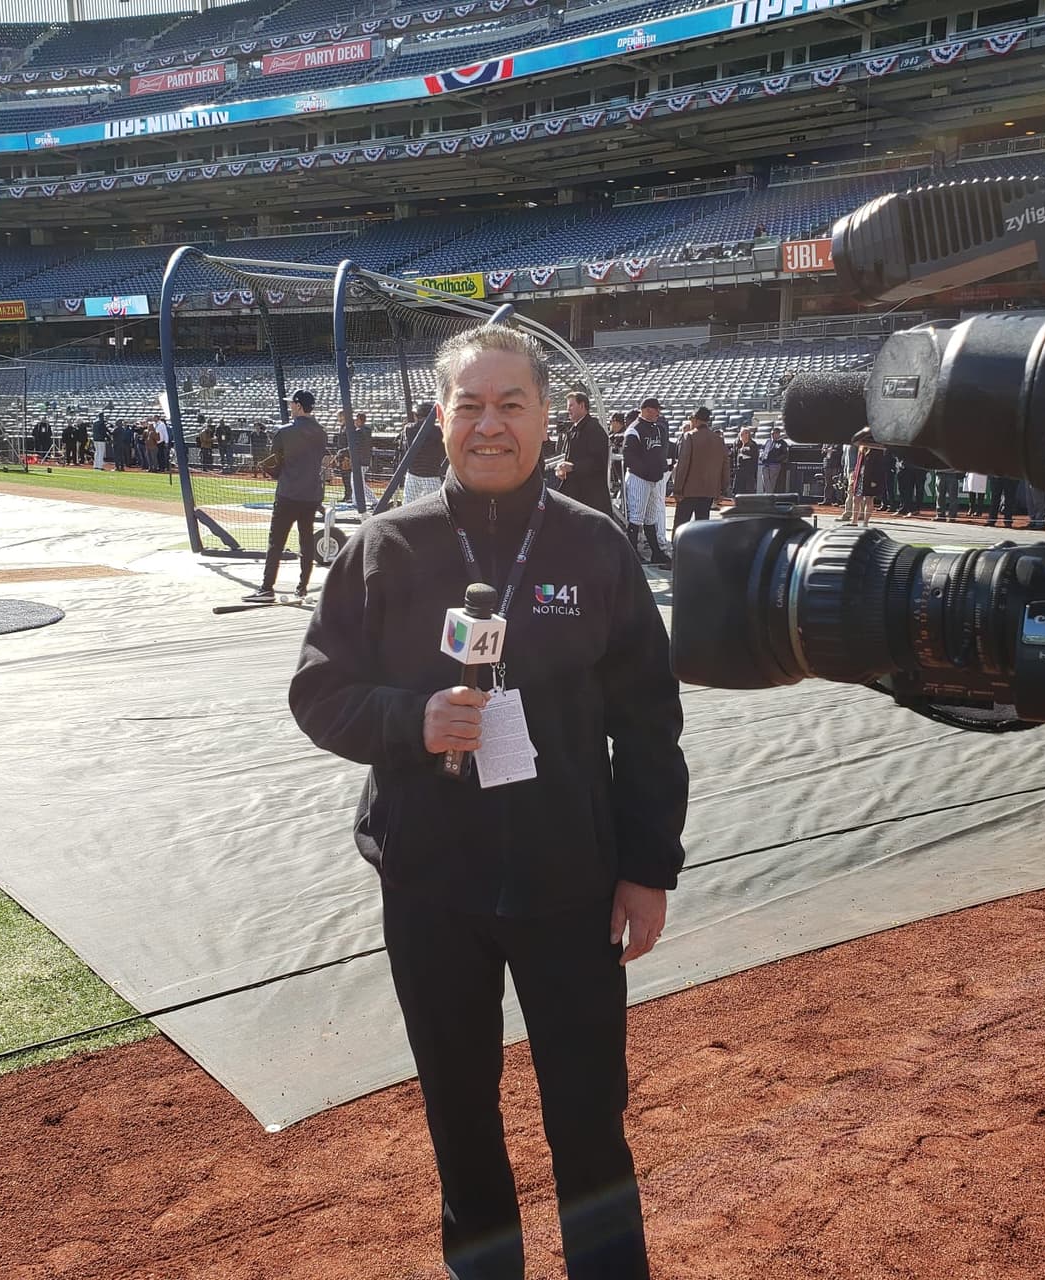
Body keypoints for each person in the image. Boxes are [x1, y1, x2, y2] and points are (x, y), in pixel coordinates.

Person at [289, 323, 688, 1280]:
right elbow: (317, 692)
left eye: (512, 404)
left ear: (548, 418)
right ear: (439, 419)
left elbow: (646, 724)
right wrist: (408, 719)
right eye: (470, 405)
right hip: (432, 887)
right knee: (461, 1120)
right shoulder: (387, 545)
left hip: (572, 884)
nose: (490, 424)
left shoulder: (595, 547)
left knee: (589, 1119)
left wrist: (646, 869)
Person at [242, 389, 328, 603]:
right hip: (311, 494)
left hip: (288, 493)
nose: (290, 407)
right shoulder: (322, 432)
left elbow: (276, 463)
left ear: (298, 406)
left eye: (292, 404)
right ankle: (302, 589)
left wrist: (272, 471)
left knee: (276, 542)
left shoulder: (284, 431)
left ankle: (266, 588)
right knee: (306, 540)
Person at [621, 397, 671, 568]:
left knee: (651, 517)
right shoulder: (633, 429)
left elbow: (659, 452)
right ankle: (632, 552)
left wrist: (658, 471)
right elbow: (629, 457)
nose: (658, 413)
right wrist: (646, 472)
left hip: (654, 479)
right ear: (647, 410)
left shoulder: (656, 429)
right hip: (638, 478)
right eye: (656, 409)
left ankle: (656, 552)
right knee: (637, 516)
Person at [671, 406, 730, 529]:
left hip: (688, 490)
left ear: (695, 419)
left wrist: (677, 489)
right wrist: (723, 490)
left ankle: (677, 547)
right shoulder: (718, 440)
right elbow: (725, 466)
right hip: (709, 491)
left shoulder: (689, 436)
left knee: (681, 523)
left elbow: (683, 464)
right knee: (702, 525)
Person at [555, 391, 611, 516]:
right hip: (577, 493)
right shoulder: (575, 428)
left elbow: (598, 462)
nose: (568, 410)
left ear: (582, 406)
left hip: (591, 497)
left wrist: (573, 467)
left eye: (571, 405)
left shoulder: (594, 429)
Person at [400, 400, 446, 504]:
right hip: (432, 474)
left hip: (413, 473)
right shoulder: (438, 431)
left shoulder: (409, 429)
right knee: (434, 505)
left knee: (408, 504)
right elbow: (443, 452)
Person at [757, 425, 789, 494]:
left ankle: (768, 495)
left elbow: (785, 454)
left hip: (775, 465)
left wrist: (777, 460)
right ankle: (768, 495)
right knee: (765, 481)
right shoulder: (768, 441)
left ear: (778, 434)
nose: (772, 435)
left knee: (772, 482)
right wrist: (761, 456)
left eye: (774, 433)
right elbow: (762, 449)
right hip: (765, 464)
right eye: (771, 434)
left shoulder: (782, 443)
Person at [731, 426, 759, 496]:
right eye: (742, 434)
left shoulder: (753, 445)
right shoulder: (737, 443)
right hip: (739, 472)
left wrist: (743, 451)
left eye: (746, 433)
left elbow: (754, 457)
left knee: (748, 492)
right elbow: (734, 456)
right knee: (737, 492)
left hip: (748, 473)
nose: (744, 435)